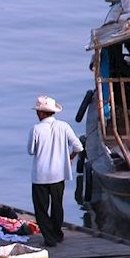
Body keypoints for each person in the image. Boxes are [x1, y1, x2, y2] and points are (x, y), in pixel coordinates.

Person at [27, 95, 83, 247]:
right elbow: (78, 146)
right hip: (59, 174)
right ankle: (57, 234)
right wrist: (70, 157)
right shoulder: (64, 126)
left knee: (41, 209)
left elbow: (31, 151)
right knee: (57, 205)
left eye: (38, 111)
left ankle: (49, 238)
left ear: (41, 113)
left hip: (40, 176)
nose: (37, 114)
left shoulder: (36, 129)